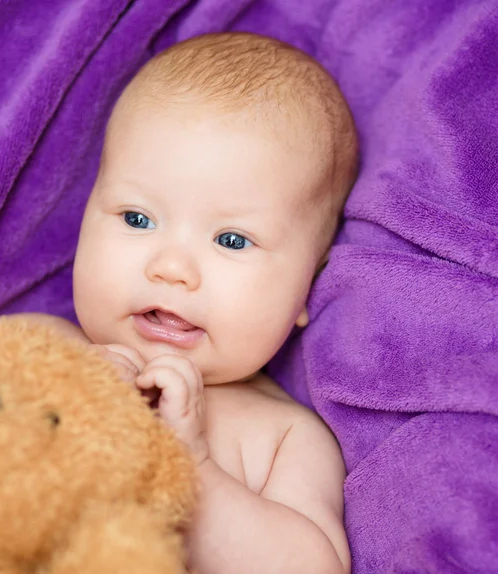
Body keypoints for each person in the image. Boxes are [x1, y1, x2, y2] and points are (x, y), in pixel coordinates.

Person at [20, 32, 358, 573]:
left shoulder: (283, 438)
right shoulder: (38, 345)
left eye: (231, 240)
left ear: (306, 287)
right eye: (137, 219)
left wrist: (192, 465)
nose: (171, 268)